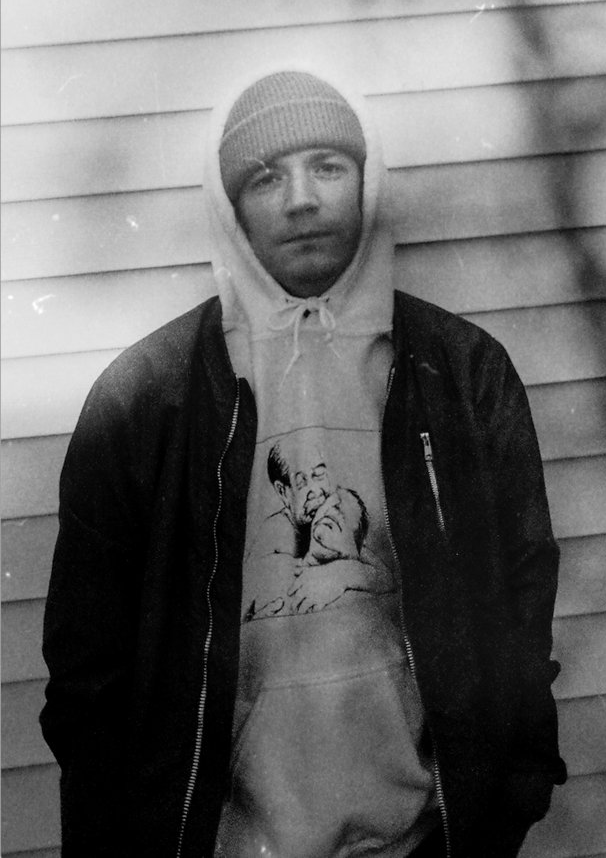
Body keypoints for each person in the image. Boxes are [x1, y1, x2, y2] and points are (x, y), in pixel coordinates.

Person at [41, 67, 565, 857]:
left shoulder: (460, 372)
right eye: (266, 177)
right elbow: (87, 665)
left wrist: (510, 789)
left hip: (423, 837)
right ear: (230, 207)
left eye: (328, 166)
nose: (301, 200)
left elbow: (523, 594)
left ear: (369, 180)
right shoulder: (145, 397)